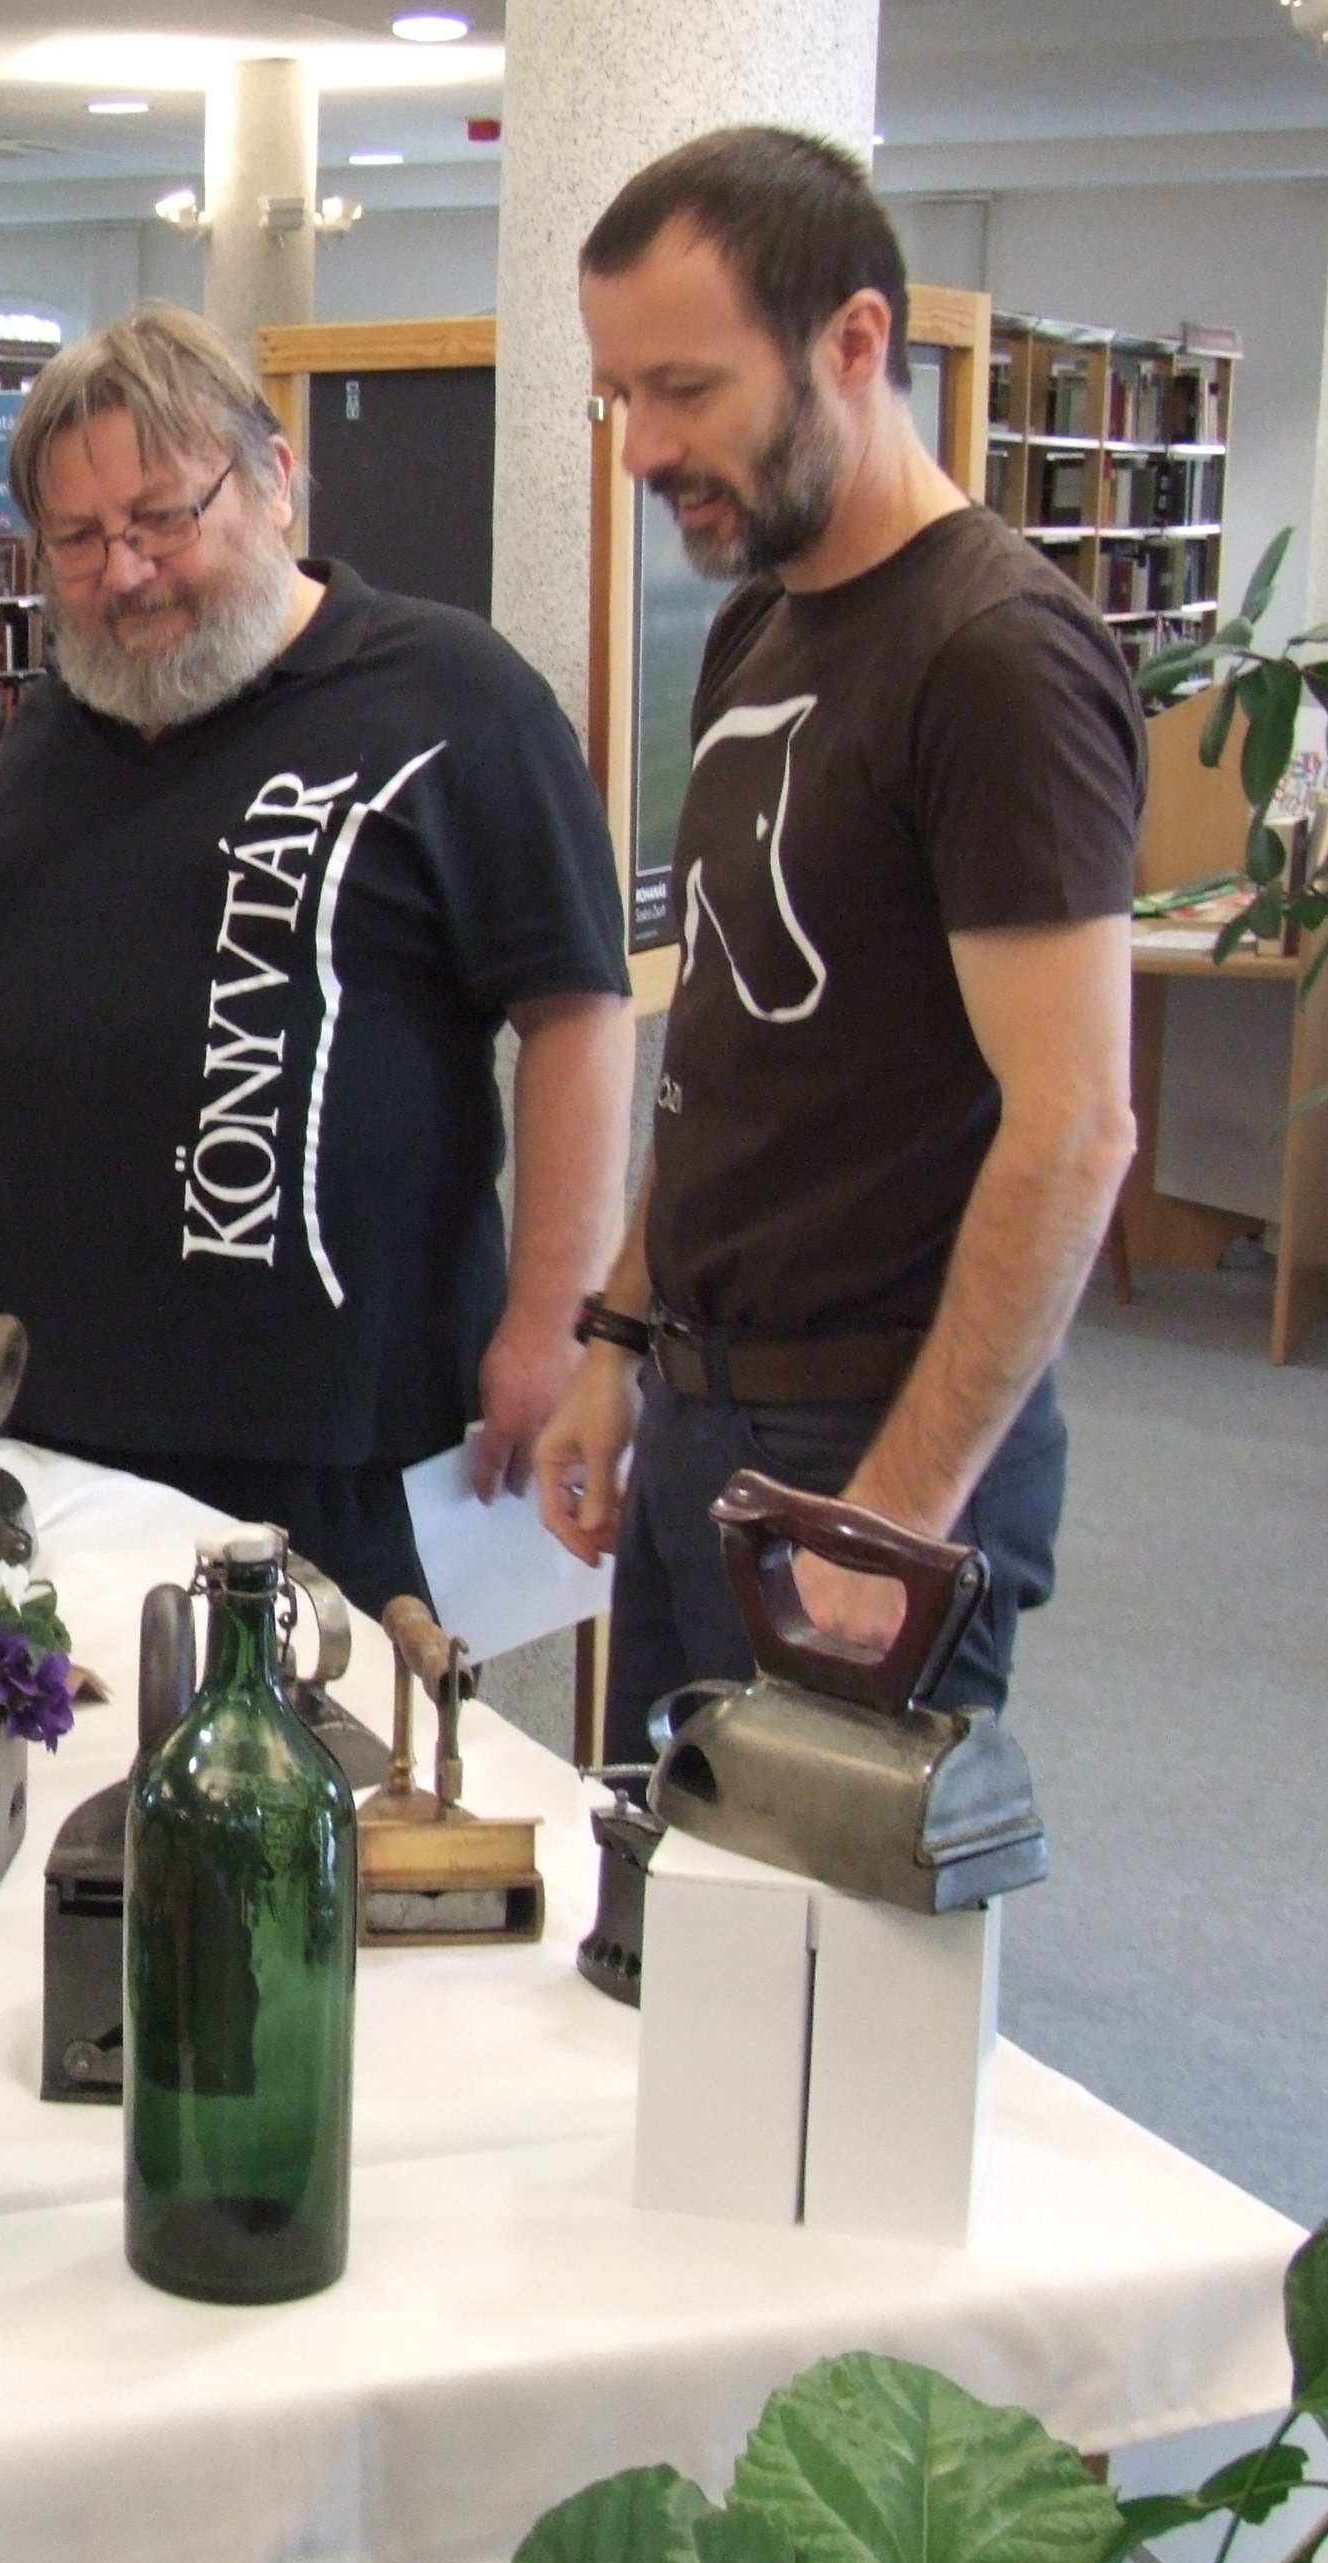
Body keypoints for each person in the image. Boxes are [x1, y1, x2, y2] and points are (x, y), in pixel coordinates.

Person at [533, 127, 1142, 1732]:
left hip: (876, 1436)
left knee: (823, 1900)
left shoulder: (997, 658)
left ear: (855, 342)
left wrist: (900, 1512)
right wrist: (620, 1338)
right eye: (621, 396)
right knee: (662, 1864)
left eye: (688, 389)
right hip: (706, 1411)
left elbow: (1076, 1129)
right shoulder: (760, 623)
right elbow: (727, 1058)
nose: (644, 449)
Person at [0, 305, 636, 1615]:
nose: (124, 573)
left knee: (346, 1743)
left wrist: (557, 1320)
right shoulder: (49, 730)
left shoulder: (455, 698)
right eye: (76, 541)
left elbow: (577, 1014)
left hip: (339, 1442)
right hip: (54, 1424)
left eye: (161, 520)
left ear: (271, 478)